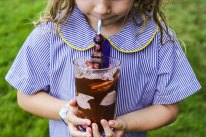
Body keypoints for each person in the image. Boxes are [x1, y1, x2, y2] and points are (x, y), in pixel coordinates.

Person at [5, 0, 201, 137]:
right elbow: (26, 95)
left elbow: (168, 108)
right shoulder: (50, 34)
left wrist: (124, 124)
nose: (102, 7)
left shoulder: (159, 41)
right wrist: (65, 111)